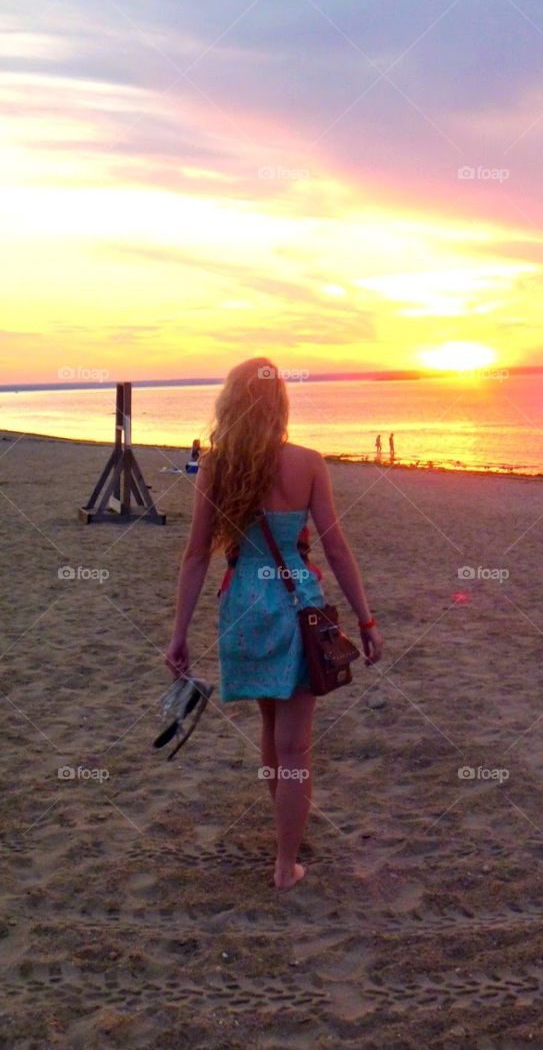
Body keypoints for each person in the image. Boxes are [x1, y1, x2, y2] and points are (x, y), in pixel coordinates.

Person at [164, 357, 384, 890]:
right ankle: (286, 863)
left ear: (232, 406)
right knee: (295, 744)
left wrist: (179, 634)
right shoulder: (308, 463)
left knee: (270, 727)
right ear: (280, 403)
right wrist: (365, 617)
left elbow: (196, 556)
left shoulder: (219, 466)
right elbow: (336, 548)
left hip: (241, 605)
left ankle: (286, 826)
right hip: (294, 607)